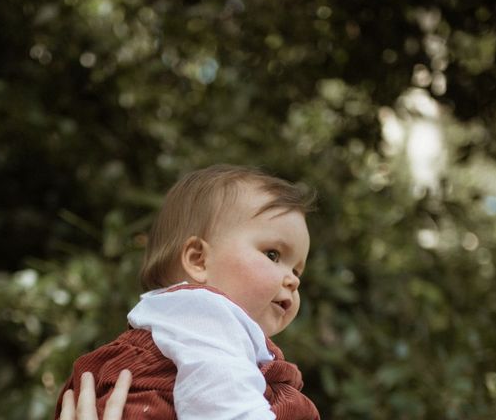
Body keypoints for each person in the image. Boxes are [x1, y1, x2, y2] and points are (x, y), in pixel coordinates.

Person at [55, 164, 320, 419]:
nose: (293, 281)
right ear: (198, 260)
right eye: (272, 254)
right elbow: (224, 407)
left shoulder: (193, 332)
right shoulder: (206, 314)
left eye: (297, 271)